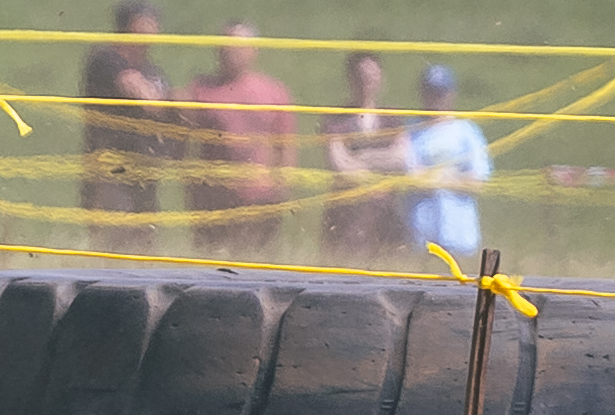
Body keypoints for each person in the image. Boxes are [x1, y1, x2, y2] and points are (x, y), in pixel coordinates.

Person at [182, 21, 297, 258]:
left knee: (259, 266)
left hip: (261, 199)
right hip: (213, 200)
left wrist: (282, 189)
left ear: (254, 50)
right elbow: (183, 142)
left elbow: (285, 146)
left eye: (237, 46)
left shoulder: (273, 92)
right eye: (224, 46)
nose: (229, 52)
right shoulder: (200, 91)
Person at [80, 0, 173, 244]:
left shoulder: (153, 70)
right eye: (148, 22)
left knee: (145, 238)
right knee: (115, 237)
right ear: (131, 25)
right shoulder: (106, 60)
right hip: (111, 165)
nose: (155, 29)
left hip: (144, 165)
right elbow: (146, 98)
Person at [318, 52, 405, 263]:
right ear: (350, 78)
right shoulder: (335, 119)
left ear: (381, 78)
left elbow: (401, 159)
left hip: (385, 215)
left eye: (371, 76)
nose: (366, 82)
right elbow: (339, 165)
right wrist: (379, 165)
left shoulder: (392, 118)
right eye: (360, 76)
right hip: (344, 218)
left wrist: (361, 157)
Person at [401, 64, 492, 265]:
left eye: (441, 92)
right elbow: (410, 177)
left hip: (460, 237)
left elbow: (477, 180)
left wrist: (432, 178)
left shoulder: (467, 131)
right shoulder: (410, 130)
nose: (436, 98)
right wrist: (452, 178)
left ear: (451, 93)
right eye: (431, 92)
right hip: (421, 236)